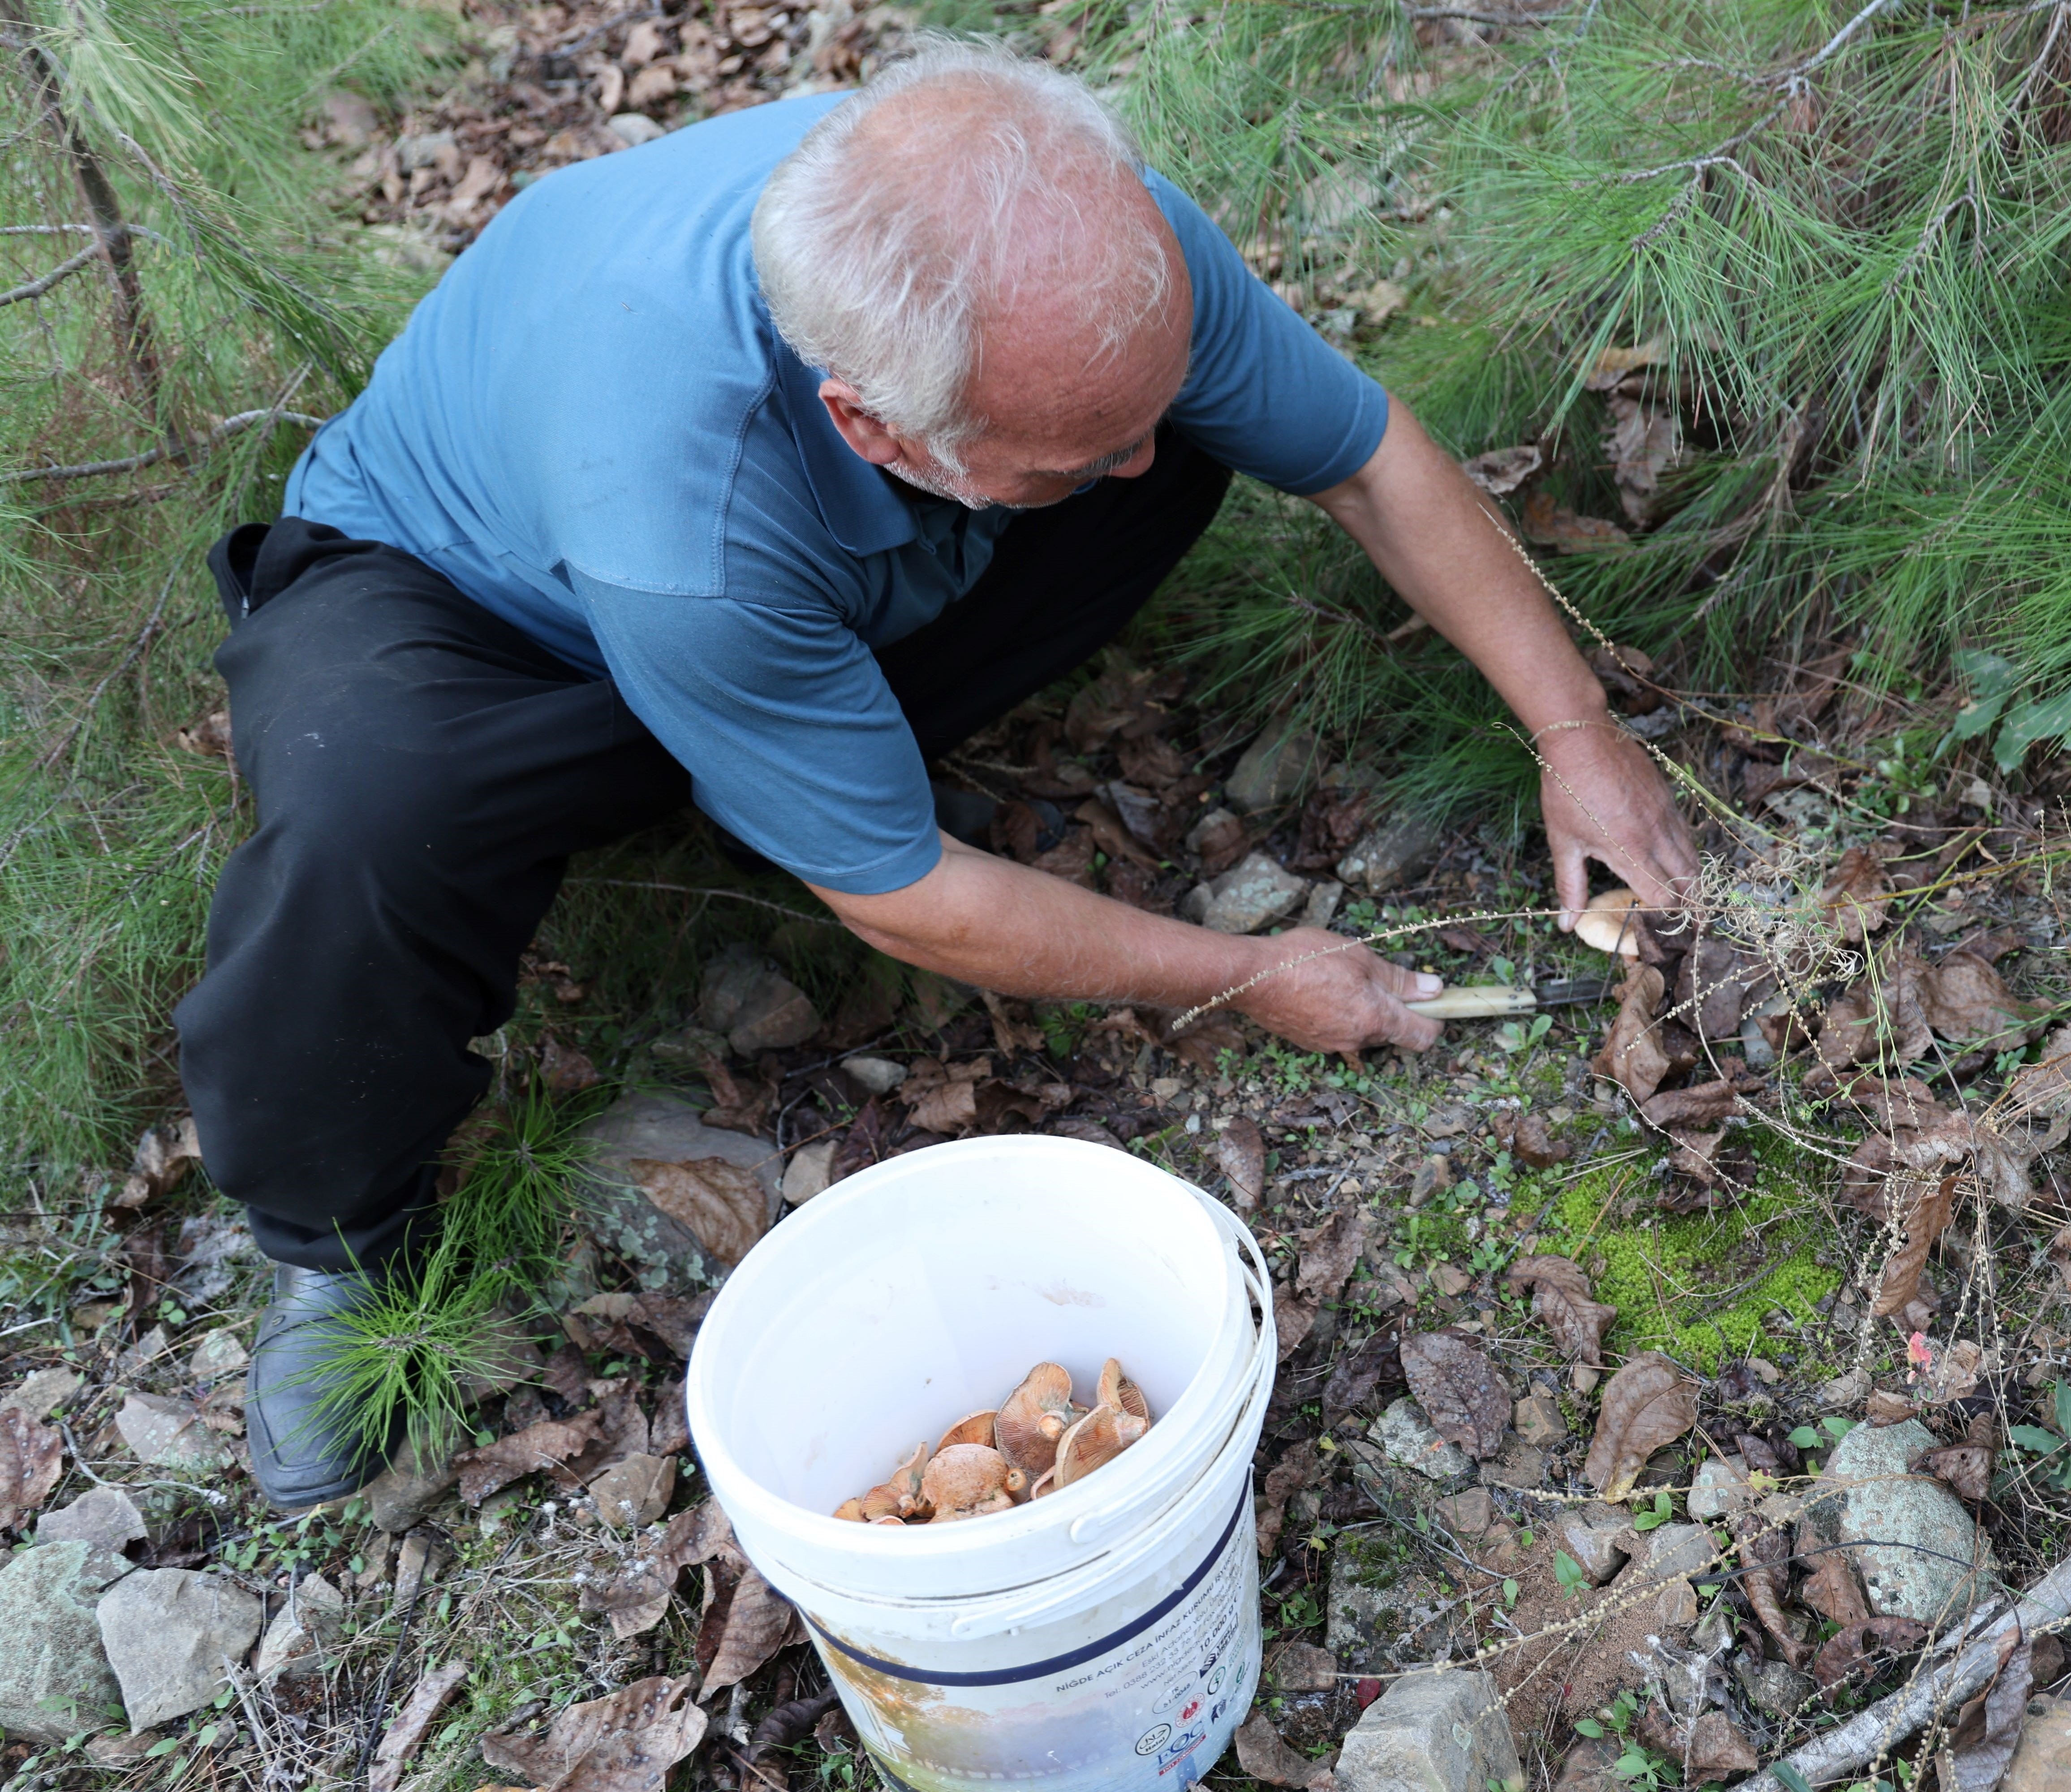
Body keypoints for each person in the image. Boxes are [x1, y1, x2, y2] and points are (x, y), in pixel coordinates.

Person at [180, 40, 1694, 1506]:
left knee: (1165, 449)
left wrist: (1577, 733)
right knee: (376, 817)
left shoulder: (1091, 254)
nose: (1128, 462)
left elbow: (1364, 459)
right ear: (868, 422)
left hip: (788, 577)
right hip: (475, 616)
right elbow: (903, 899)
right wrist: (1244, 973)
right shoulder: (684, 510)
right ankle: (332, 1243)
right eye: (1073, 452)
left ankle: (803, 762)